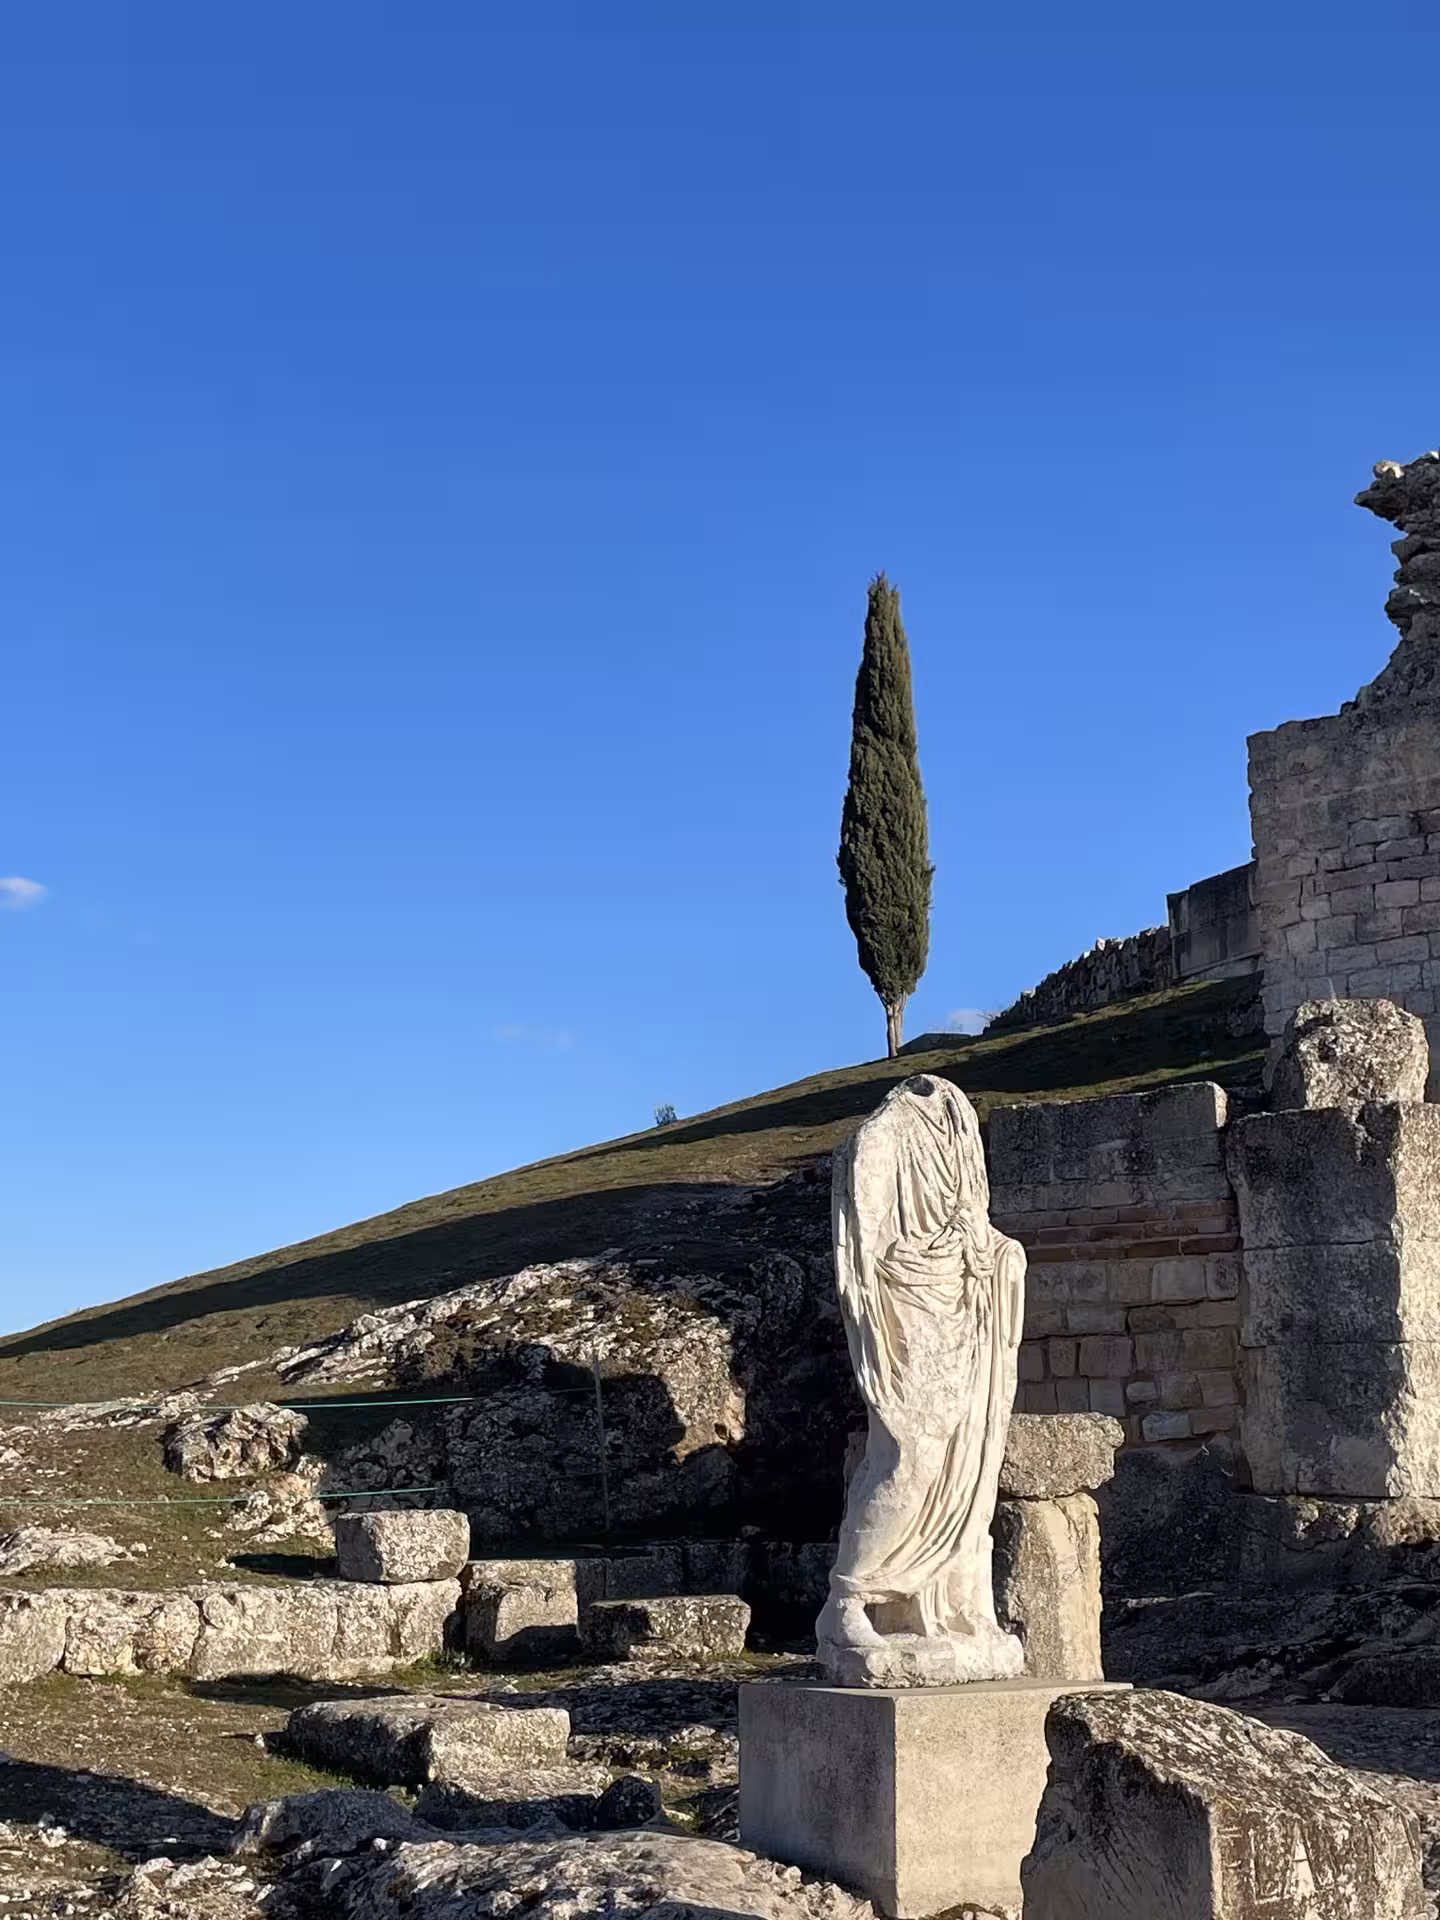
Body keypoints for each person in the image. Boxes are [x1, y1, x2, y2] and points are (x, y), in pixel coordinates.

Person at [815, 1074, 1026, 1685]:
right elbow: (864, 1252)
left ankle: (951, 1606)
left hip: (964, 1307)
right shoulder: (879, 1140)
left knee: (970, 1460)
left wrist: (1001, 1254)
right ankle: (848, 1602)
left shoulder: (959, 1122)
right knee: (911, 1456)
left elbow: (978, 1226)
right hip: (907, 1308)